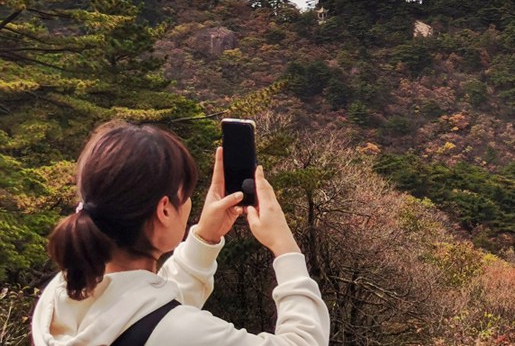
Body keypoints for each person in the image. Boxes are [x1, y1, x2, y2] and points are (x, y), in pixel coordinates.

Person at [31, 121, 330, 346]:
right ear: (164, 210)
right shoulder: (182, 333)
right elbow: (303, 341)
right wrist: (285, 248)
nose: (189, 204)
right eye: (184, 195)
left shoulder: (59, 297)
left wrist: (204, 239)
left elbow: (144, 312)